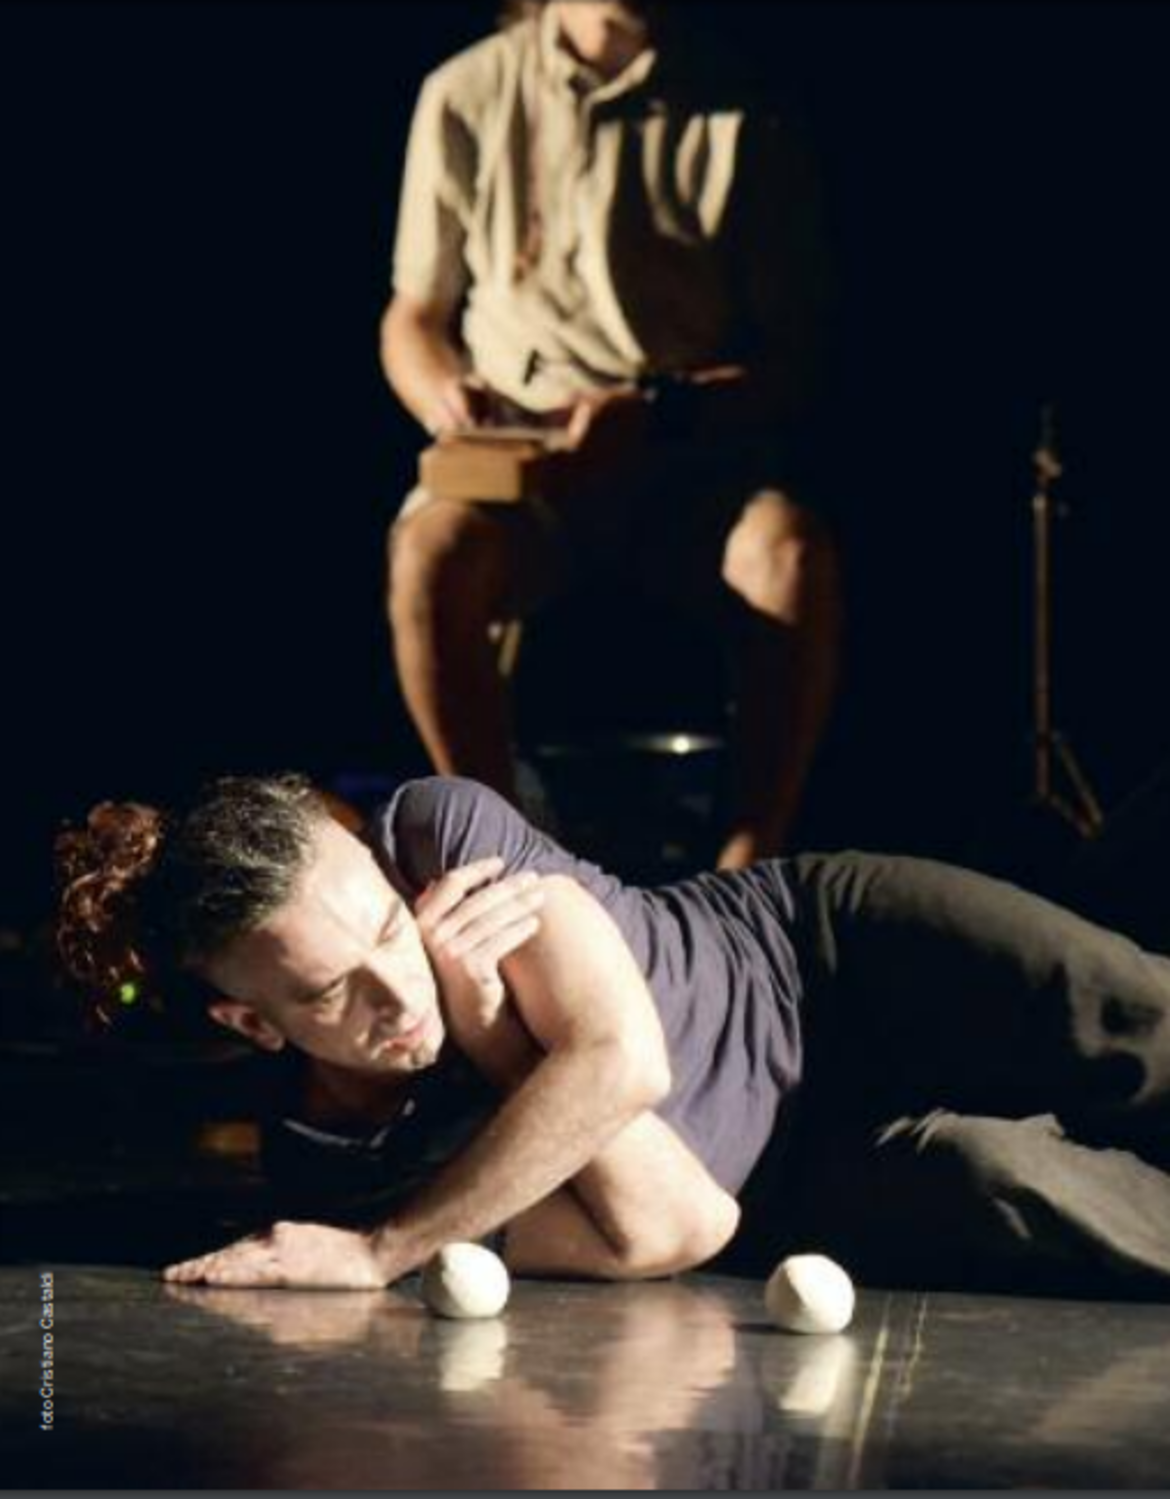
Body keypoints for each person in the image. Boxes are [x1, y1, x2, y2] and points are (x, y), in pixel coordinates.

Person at [54, 771, 1170, 1297]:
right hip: (796, 1179)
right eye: (333, 992)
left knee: (1132, 1014)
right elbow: (678, 1222)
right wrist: (500, 1034)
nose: (401, 994)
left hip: (812, 954)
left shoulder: (436, 831)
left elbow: (623, 1059)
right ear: (253, 1022)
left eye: (392, 927)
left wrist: (387, 1254)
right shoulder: (342, 1172)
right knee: (1001, 1180)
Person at [381, 0, 842, 869]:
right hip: (525, 476)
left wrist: (661, 411)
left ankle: (743, 871)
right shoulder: (466, 92)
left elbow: (797, 361)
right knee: (427, 557)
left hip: (684, 467)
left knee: (789, 554)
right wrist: (446, 397)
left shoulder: (740, 104)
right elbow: (414, 316)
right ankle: (507, 860)